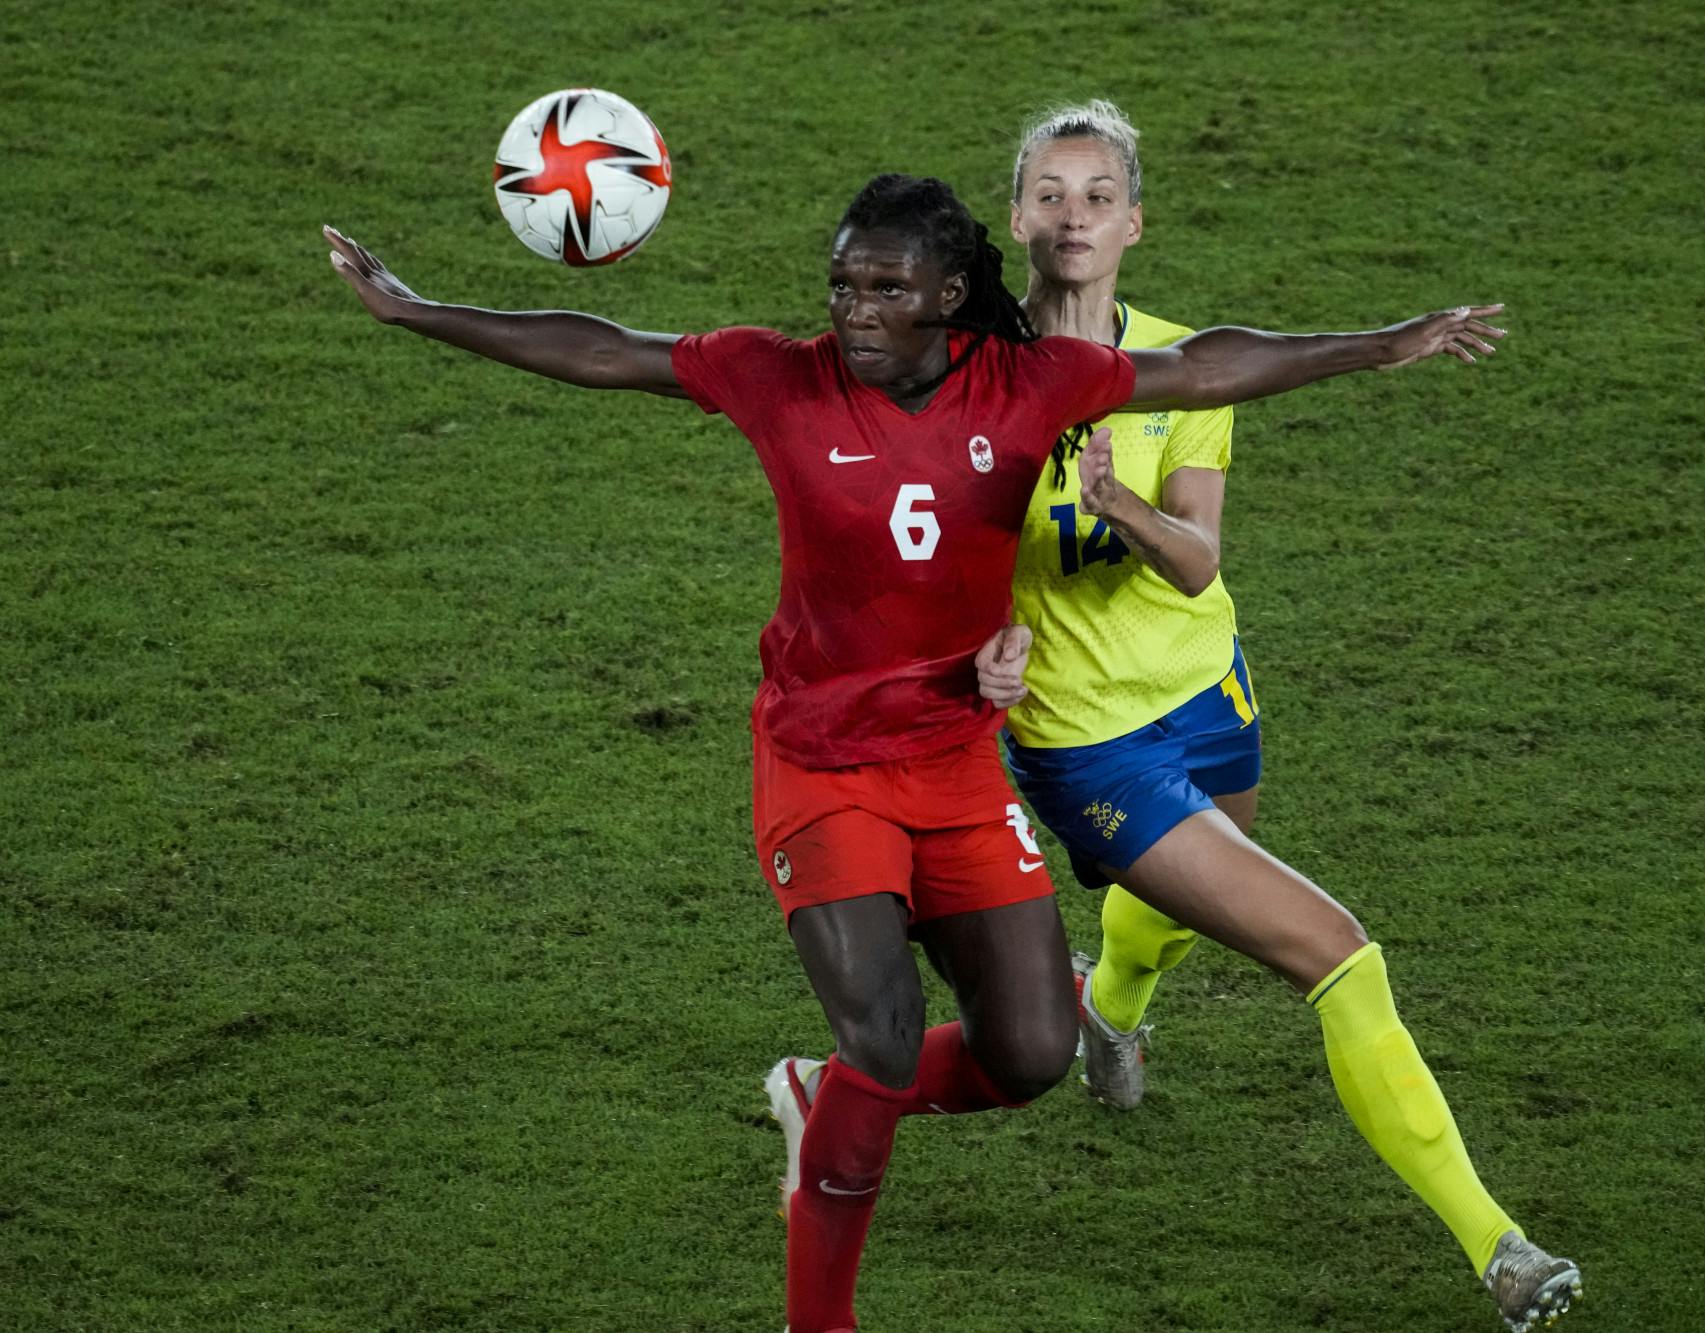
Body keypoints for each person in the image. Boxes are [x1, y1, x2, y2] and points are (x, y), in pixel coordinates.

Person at [323, 171, 1502, 1333]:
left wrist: (1382, 344)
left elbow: (1198, 369)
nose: (853, 309)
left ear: (947, 293)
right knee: (879, 1038)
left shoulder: (1031, 385)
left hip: (949, 764)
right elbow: (599, 348)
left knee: (1033, 1051)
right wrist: (418, 309)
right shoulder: (776, 378)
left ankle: (816, 1099)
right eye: (841, 284)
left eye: (885, 287)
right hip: (822, 762)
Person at [987, 102, 1581, 1332]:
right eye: (1050, 193)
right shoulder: (973, 378)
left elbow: (1197, 560)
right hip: (1085, 738)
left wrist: (1122, 506)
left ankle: (1112, 1011)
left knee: (1177, 906)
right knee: (1335, 951)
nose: (1073, 216)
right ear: (1014, 217)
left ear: (1134, 221)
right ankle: (1500, 1247)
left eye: (1098, 195)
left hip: (1208, 692)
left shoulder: (1176, 367)